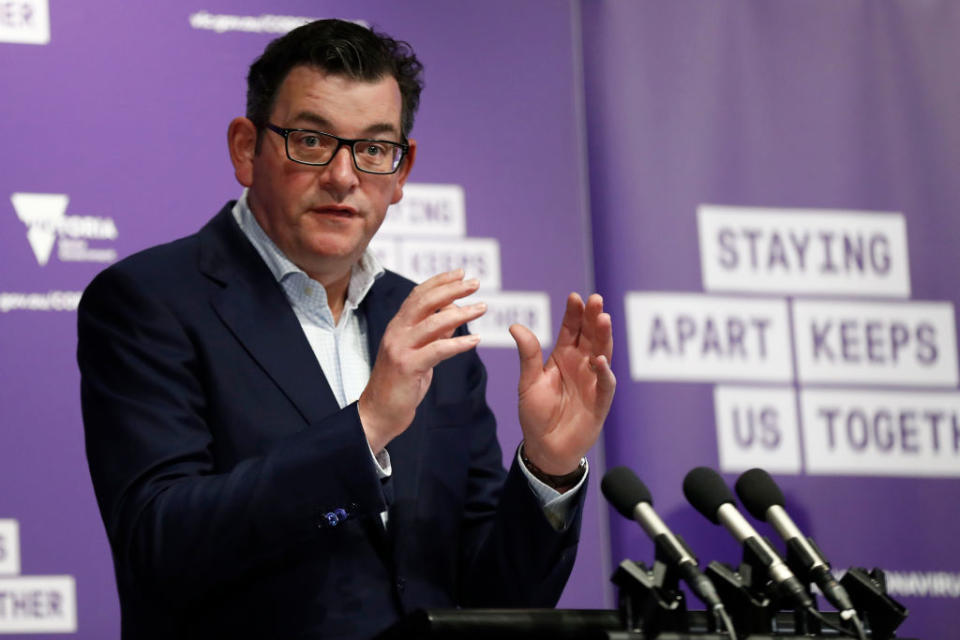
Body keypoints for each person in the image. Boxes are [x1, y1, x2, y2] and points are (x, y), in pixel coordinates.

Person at [77, 18, 614, 639]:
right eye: (310, 140)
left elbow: (491, 594)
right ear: (246, 148)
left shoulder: (427, 329)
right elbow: (159, 545)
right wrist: (367, 425)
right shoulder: (152, 300)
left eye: (373, 148)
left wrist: (547, 469)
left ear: (402, 169)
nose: (342, 176)